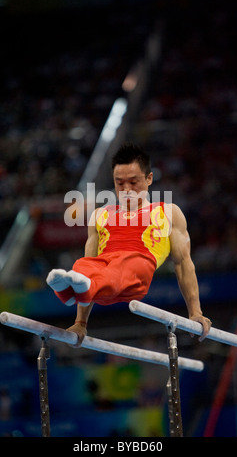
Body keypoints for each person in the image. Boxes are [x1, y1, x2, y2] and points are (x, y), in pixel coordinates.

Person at [46, 143, 212, 346]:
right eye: (119, 183)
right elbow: (91, 264)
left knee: (121, 264)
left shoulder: (168, 212)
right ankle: (72, 291)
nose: (126, 190)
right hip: (106, 281)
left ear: (149, 179)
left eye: (133, 182)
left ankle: (78, 290)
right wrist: (80, 322)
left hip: (137, 272)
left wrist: (195, 312)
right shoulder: (100, 215)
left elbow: (183, 263)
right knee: (83, 265)